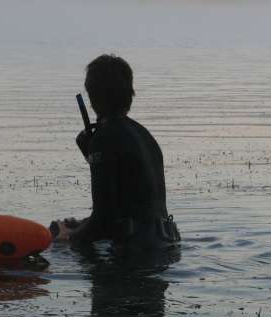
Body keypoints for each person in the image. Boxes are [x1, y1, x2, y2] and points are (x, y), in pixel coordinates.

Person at [51, 54, 180, 254]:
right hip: (166, 244)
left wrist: (65, 237)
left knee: (54, 249)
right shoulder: (143, 134)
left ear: (92, 97)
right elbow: (127, 205)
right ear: (130, 92)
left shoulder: (104, 139)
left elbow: (103, 221)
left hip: (135, 257)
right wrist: (78, 224)